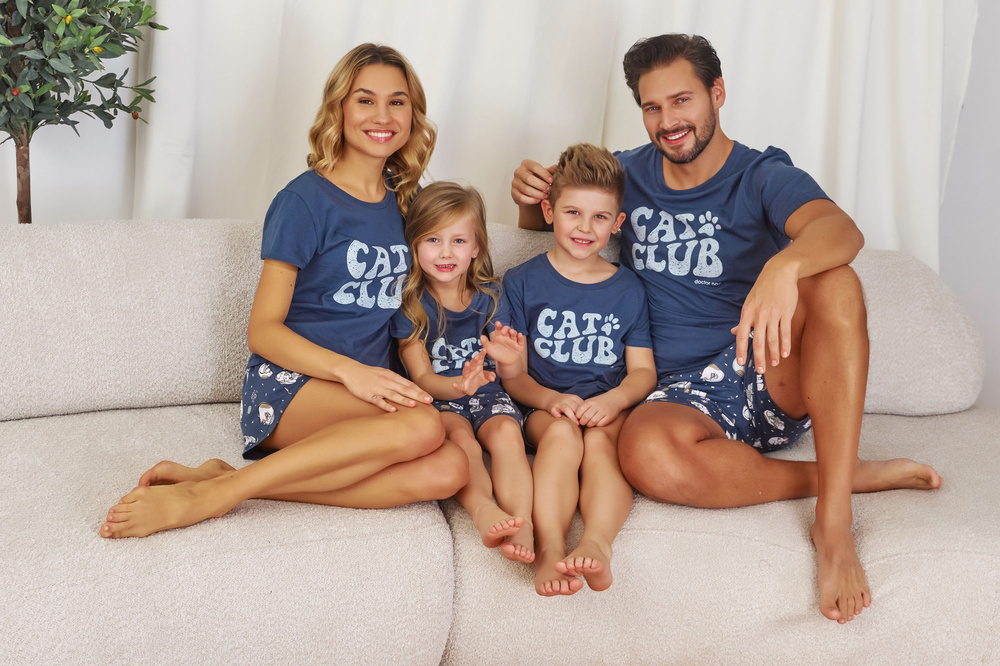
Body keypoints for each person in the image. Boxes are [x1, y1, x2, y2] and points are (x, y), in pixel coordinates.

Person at [510, 34, 942, 622]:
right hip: (674, 397)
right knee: (646, 455)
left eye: (681, 100)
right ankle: (840, 476)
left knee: (836, 280)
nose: (668, 121)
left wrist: (784, 266)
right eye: (652, 107)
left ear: (716, 93)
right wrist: (527, 198)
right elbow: (566, 222)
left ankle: (834, 520)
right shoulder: (625, 174)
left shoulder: (761, 174)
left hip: (763, 368)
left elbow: (842, 231)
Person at [100, 43, 468, 539]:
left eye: (397, 102)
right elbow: (263, 331)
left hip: (363, 402)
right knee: (424, 426)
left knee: (449, 470)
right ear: (339, 107)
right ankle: (212, 497)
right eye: (365, 100)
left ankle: (227, 481)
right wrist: (352, 372)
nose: (382, 116)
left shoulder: (410, 203)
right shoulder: (303, 201)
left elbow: (470, 261)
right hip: (289, 389)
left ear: (413, 113)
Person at [498, 143, 657, 596]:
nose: (585, 228)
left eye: (600, 217)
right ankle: (550, 547)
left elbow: (643, 372)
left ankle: (597, 543)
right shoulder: (521, 282)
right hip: (546, 408)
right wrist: (552, 400)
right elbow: (514, 375)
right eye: (573, 213)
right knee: (564, 436)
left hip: (607, 407)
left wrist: (614, 400)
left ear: (617, 223)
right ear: (549, 212)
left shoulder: (629, 289)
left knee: (603, 444)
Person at [390, 181, 535, 564]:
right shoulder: (411, 306)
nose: (445, 252)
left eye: (458, 241)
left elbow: (512, 372)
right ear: (414, 246)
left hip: (489, 394)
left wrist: (508, 357)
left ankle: (523, 522)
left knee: (507, 435)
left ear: (476, 248)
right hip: (441, 399)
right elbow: (422, 378)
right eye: (432, 240)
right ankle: (483, 510)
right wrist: (458, 385)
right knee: (461, 441)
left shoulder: (491, 298)